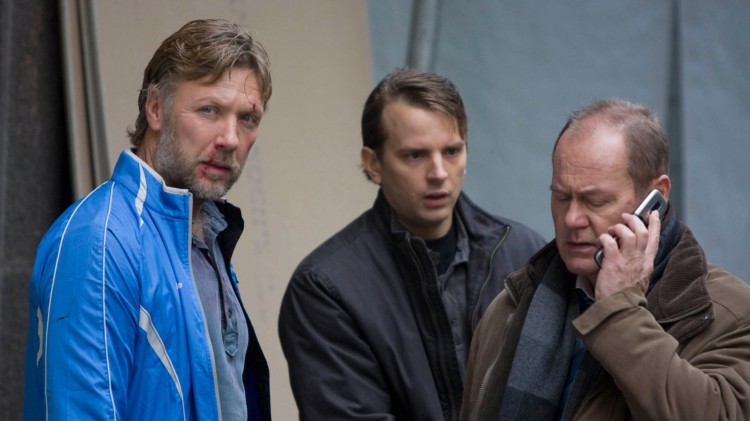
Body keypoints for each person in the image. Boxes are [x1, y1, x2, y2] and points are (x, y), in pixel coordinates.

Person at [23, 19, 272, 420]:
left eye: (247, 118)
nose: (230, 138)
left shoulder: (204, 230)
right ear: (156, 109)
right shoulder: (100, 239)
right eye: (209, 110)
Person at [278, 67, 546, 420]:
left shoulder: (524, 254)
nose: (439, 173)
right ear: (373, 164)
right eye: (415, 155)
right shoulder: (325, 288)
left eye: (451, 151)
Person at [461, 98, 750, 421]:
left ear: (656, 197)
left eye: (595, 201)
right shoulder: (512, 305)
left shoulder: (733, 314)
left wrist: (621, 312)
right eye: (561, 197)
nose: (571, 219)